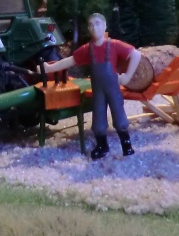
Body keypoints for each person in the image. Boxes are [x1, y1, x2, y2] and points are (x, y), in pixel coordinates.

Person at [44, 13, 141, 159]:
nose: (95, 27)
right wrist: (50, 68)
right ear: (88, 28)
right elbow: (70, 60)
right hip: (98, 92)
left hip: (113, 89)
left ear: (105, 26)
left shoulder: (114, 45)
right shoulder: (87, 49)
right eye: (91, 24)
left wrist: (127, 77)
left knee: (119, 115)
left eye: (98, 23)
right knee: (98, 118)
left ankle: (126, 145)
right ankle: (102, 146)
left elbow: (136, 55)